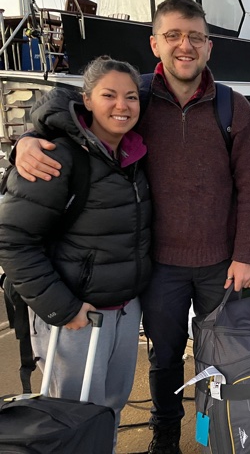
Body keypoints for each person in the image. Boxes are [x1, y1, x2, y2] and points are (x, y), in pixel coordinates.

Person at [15, 0, 250, 454]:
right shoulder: (137, 97)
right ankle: (165, 434)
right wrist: (28, 139)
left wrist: (246, 254)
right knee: (164, 358)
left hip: (220, 266)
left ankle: (213, 435)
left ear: (209, 47)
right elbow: (69, 110)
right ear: (155, 44)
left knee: (220, 360)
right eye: (173, 35)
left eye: (195, 37)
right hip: (159, 266)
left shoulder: (233, 108)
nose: (185, 46)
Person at [0, 55, 153, 451]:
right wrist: (64, 309)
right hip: (75, 318)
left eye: (131, 97)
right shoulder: (56, 156)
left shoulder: (134, 155)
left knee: (109, 409)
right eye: (109, 95)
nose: (122, 105)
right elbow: (11, 239)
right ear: (86, 99)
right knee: (70, 417)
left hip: (123, 309)